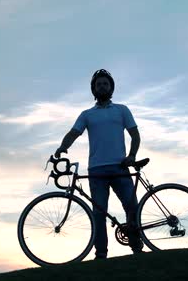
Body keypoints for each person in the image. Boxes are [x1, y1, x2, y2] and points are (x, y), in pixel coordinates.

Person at [55, 69, 143, 259]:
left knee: (132, 207)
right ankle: (101, 254)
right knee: (98, 214)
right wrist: (63, 146)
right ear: (93, 89)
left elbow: (135, 135)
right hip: (96, 170)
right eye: (98, 84)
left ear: (111, 87)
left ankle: (137, 248)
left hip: (120, 167)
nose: (102, 86)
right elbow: (73, 133)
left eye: (105, 84)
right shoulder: (87, 114)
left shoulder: (122, 110)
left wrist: (132, 155)